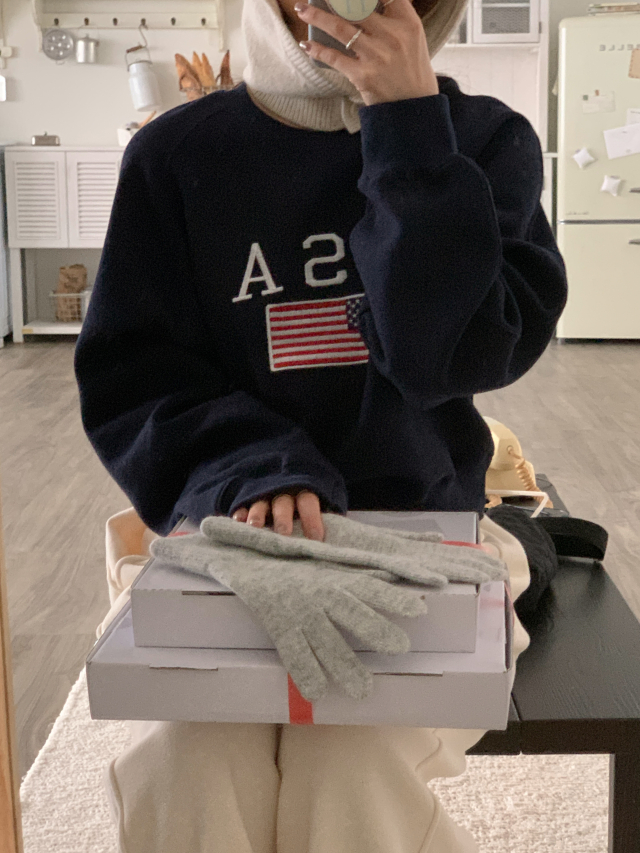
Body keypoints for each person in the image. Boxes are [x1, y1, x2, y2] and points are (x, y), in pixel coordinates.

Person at [75, 0, 568, 849]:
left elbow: (451, 357)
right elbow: (135, 375)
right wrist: (249, 466)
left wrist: (409, 131)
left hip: (424, 537)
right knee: (187, 763)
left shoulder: (486, 142)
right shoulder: (175, 155)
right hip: (235, 535)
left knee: (348, 762)